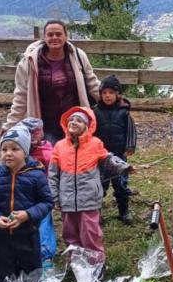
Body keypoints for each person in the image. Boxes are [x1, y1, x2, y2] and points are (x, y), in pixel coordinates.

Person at [49, 107, 133, 263]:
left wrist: (124, 167)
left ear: (88, 126)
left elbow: (109, 159)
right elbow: (53, 174)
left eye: (79, 120)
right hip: (66, 201)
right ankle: (77, 265)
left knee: (90, 234)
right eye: (71, 120)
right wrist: (54, 197)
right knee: (70, 234)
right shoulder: (59, 146)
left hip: (89, 200)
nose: (74, 122)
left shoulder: (95, 143)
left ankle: (96, 265)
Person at [0, 126, 53, 282]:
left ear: (25, 152)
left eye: (14, 149)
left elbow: (47, 202)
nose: (8, 153)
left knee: (31, 278)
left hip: (28, 236)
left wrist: (28, 214)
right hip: (1, 238)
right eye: (4, 149)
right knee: (5, 279)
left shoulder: (37, 175)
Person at [4, 19, 101, 144]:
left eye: (58, 34)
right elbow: (21, 96)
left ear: (66, 36)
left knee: (76, 158)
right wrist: (10, 125)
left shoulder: (78, 56)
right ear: (44, 37)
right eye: (50, 35)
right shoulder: (29, 62)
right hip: (46, 125)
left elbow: (93, 84)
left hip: (75, 122)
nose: (54, 38)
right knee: (52, 157)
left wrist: (114, 103)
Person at [92, 75, 137, 225]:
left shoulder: (124, 111)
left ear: (117, 94)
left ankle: (124, 211)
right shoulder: (95, 112)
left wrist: (130, 146)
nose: (107, 96)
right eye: (104, 93)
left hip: (119, 155)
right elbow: (91, 132)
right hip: (101, 156)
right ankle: (96, 213)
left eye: (111, 92)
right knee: (100, 184)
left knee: (121, 184)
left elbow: (131, 130)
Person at [19, 117, 57, 269]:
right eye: (30, 133)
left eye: (37, 133)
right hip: (23, 193)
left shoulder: (48, 148)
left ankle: (46, 256)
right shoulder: (19, 149)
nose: (34, 136)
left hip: (42, 192)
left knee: (44, 222)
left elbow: (54, 170)